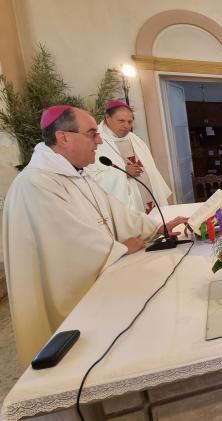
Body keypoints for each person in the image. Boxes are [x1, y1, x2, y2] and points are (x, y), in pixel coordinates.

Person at [2, 105, 188, 367]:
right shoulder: (37, 184)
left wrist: (154, 227)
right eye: (92, 134)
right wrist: (119, 249)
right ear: (64, 137)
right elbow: (68, 244)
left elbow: (114, 211)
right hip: (66, 303)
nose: (99, 140)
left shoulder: (75, 174)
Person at [86, 101, 171, 213]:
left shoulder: (135, 139)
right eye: (121, 121)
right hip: (124, 210)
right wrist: (123, 173)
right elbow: (89, 180)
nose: (126, 126)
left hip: (150, 199)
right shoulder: (94, 141)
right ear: (108, 118)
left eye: (130, 122)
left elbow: (152, 170)